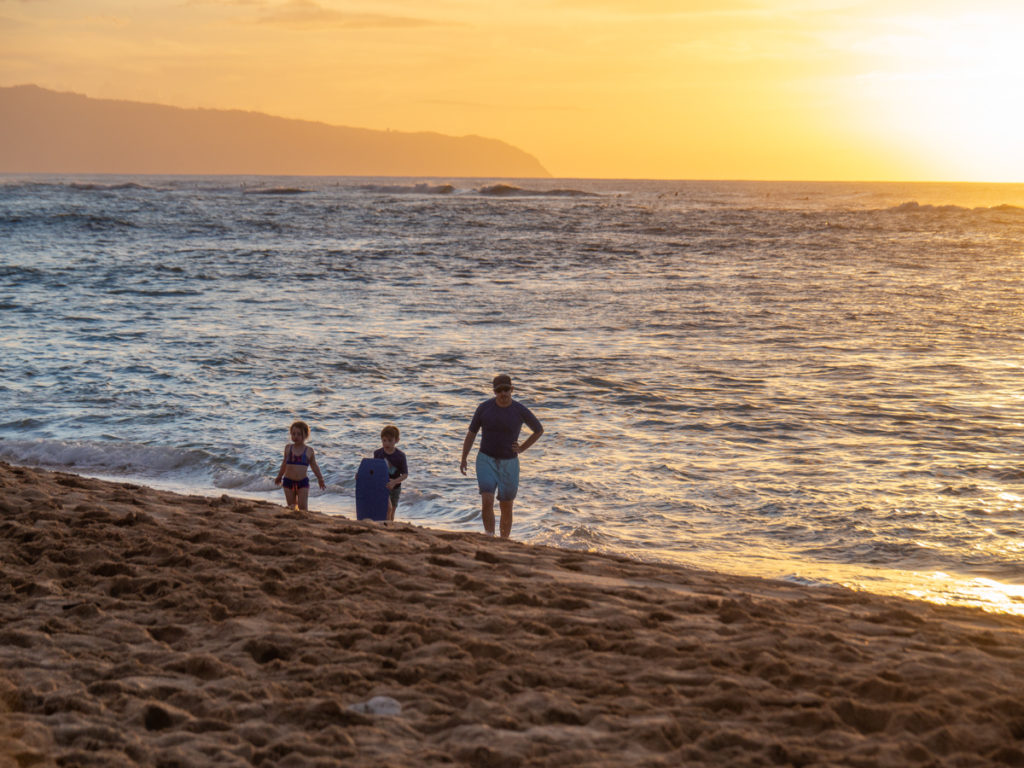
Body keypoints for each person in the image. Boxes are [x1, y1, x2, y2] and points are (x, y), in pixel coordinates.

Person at [459, 374, 543, 538]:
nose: (503, 393)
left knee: (506, 506)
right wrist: (464, 458)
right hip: (485, 460)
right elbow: (471, 434)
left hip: (509, 463)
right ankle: (489, 536)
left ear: (512, 389)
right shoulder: (484, 408)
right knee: (487, 501)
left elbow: (539, 430)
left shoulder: (519, 410)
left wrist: (522, 448)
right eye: (499, 390)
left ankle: (504, 540)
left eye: (506, 389)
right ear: (494, 391)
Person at [274, 420, 326, 511]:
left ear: (305, 435)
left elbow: (314, 466)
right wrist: (279, 476)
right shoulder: (288, 448)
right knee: (291, 507)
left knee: (303, 508)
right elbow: (284, 464)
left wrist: (320, 478)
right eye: (293, 434)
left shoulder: (309, 451)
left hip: (302, 483)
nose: (295, 436)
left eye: (299, 434)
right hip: (288, 481)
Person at [374, 424, 409, 522]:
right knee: (387, 508)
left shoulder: (400, 456)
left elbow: (405, 474)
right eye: (384, 440)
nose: (386, 443)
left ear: (397, 440)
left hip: (395, 487)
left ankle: (390, 528)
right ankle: (385, 527)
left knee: (392, 511)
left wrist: (394, 482)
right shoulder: (378, 453)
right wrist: (361, 475)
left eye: (390, 440)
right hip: (382, 486)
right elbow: (373, 470)